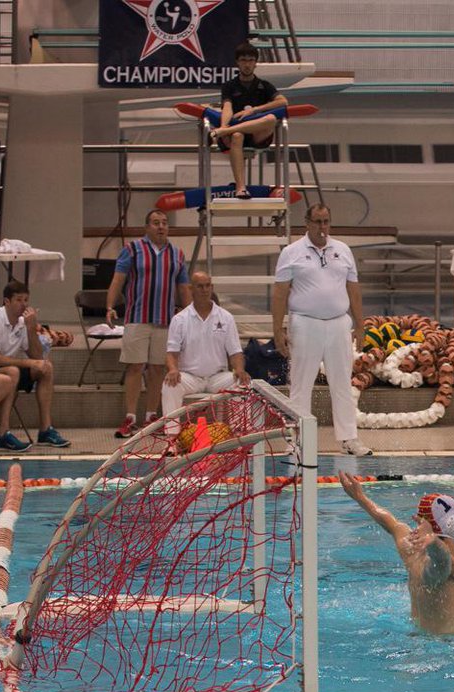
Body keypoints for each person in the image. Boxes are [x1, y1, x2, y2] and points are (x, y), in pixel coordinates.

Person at [273, 203, 370, 456]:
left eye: (326, 221)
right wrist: (277, 329)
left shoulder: (343, 250)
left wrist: (360, 325)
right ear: (307, 223)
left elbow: (354, 289)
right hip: (305, 322)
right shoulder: (291, 252)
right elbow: (280, 293)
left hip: (339, 322)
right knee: (301, 384)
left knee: (342, 383)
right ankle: (296, 441)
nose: (322, 227)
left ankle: (349, 439)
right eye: (317, 221)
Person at [338, 472, 454, 635]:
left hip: (416, 640)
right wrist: (433, 543)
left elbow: (392, 524)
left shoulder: (412, 549)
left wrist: (360, 498)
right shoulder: (449, 568)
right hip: (447, 650)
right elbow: (442, 563)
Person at [107, 208, 192, 438]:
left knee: (157, 369)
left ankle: (151, 417)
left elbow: (183, 287)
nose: (161, 226)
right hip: (137, 318)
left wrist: (190, 313)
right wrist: (109, 306)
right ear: (147, 227)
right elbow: (118, 279)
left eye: (164, 222)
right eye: (156, 222)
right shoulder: (132, 250)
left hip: (165, 320)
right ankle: (130, 417)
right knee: (135, 366)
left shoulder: (177, 254)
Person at [0, 280, 70, 451]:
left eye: (26, 300)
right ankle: (4, 433)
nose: (24, 304)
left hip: (1, 371)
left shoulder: (22, 323)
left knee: (45, 368)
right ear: (7, 301)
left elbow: (36, 356)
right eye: (19, 300)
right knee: (12, 372)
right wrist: (28, 362)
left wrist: (30, 329)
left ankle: (45, 430)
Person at [161, 271, 250, 427]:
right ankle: (171, 439)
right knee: (169, 385)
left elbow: (235, 352)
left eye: (207, 286)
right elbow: (171, 353)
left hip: (217, 377)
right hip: (189, 377)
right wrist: (173, 369)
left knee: (243, 383)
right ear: (191, 289)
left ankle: (240, 437)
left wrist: (239, 369)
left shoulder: (226, 317)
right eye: (200, 286)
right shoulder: (179, 319)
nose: (204, 290)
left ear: (212, 287)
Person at [212, 42, 289, 199]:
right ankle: (241, 187)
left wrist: (255, 109)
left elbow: (283, 102)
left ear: (255, 63)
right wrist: (225, 124)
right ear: (237, 62)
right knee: (237, 136)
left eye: (250, 60)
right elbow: (227, 107)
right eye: (243, 60)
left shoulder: (264, 86)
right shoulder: (229, 86)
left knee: (271, 119)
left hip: (257, 134)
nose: (247, 64)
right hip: (236, 134)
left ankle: (224, 131)